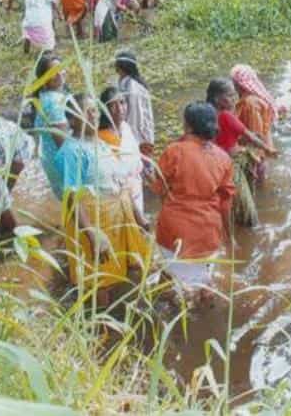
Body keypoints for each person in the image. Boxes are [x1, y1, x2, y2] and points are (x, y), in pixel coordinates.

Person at [54, 92, 151, 306]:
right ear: (72, 119)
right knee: (99, 279)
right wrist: (91, 233)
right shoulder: (73, 150)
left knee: (120, 267)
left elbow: (119, 183)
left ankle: (114, 314)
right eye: (86, 111)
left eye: (95, 109)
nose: (94, 115)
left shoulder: (100, 142)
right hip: (95, 221)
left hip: (115, 217)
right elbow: (72, 195)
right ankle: (101, 329)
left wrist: (139, 217)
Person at [147, 102, 235, 298]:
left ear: (187, 126)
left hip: (173, 231)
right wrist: (228, 236)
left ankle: (168, 319)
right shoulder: (223, 158)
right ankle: (207, 320)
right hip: (207, 232)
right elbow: (225, 203)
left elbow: (158, 187)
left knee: (168, 277)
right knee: (206, 282)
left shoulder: (174, 151)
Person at [206, 78, 278, 226]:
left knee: (229, 202)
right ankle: (247, 234)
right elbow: (249, 136)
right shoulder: (227, 116)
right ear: (218, 99)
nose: (234, 99)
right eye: (230, 96)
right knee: (247, 211)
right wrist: (268, 149)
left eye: (235, 95)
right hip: (232, 165)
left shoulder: (207, 117)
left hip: (216, 166)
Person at [98, 86, 148, 226]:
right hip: (119, 198)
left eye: (122, 102)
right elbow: (114, 179)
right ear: (104, 109)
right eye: (113, 105)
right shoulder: (102, 138)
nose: (120, 109)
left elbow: (135, 156)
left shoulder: (126, 127)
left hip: (136, 189)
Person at [231, 64, 281, 184]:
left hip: (255, 155)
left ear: (239, 85)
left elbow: (255, 134)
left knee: (256, 185)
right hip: (262, 150)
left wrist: (256, 159)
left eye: (234, 83)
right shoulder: (255, 99)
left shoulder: (250, 104)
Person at [33, 54, 69, 199]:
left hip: (50, 158)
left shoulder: (45, 95)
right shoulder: (55, 103)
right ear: (44, 78)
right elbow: (64, 145)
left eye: (61, 69)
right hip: (62, 163)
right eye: (53, 72)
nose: (59, 74)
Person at [114, 50, 154, 156]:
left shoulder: (132, 87)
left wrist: (127, 137)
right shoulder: (126, 82)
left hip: (138, 138)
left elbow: (135, 116)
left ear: (121, 68)